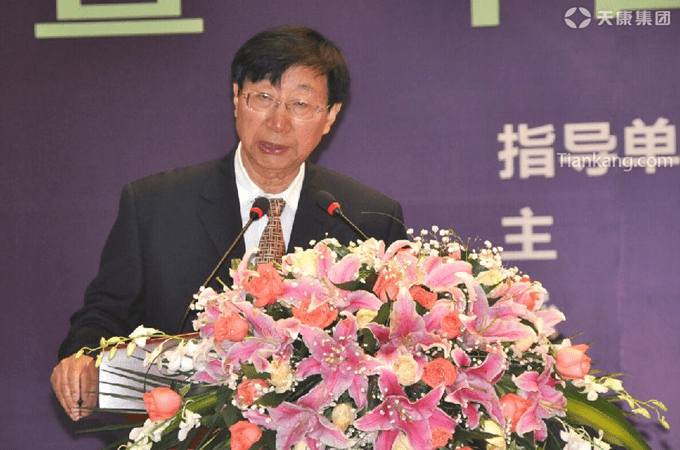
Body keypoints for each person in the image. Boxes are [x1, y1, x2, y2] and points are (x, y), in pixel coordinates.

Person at [51, 26, 406, 422]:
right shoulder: (154, 207)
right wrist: (81, 358)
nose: (278, 122)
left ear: (330, 116)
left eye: (300, 104)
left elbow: (395, 347)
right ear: (237, 98)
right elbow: (103, 318)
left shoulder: (367, 219)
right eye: (264, 98)